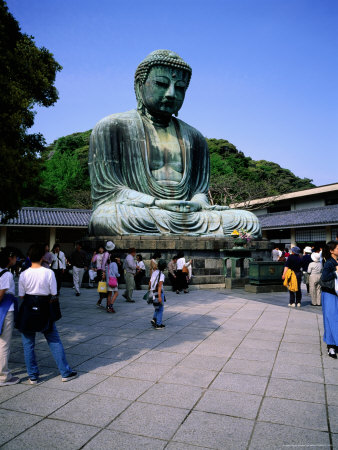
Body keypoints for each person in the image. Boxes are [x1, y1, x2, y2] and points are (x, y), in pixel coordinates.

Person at [88, 49, 261, 238]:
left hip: (189, 214)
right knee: (106, 218)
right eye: (162, 84)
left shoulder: (195, 137)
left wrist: (196, 202)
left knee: (248, 221)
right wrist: (156, 203)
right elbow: (109, 192)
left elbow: (200, 192)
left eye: (179, 88)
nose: (171, 94)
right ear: (139, 85)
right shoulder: (112, 127)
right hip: (142, 211)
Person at [18, 244, 77, 383]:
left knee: (28, 343)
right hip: (44, 306)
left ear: (28, 257)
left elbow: (21, 295)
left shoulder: (24, 274)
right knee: (54, 339)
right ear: (43, 257)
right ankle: (65, 372)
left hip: (28, 307)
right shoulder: (48, 273)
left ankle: (32, 376)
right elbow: (54, 292)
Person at [0, 249, 20, 386]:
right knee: (4, 343)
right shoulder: (7, 275)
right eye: (14, 258)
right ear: (10, 258)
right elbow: (1, 295)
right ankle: (3, 376)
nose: (16, 260)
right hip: (5, 309)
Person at [321, 241, 338, 359]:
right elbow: (324, 277)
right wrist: (335, 272)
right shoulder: (329, 263)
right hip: (329, 294)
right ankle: (331, 346)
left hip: (335, 293)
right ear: (332, 251)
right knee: (330, 318)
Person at [93, 243, 112, 307]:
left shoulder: (106, 254)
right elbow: (93, 261)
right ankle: (101, 300)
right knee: (102, 286)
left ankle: (101, 301)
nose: (100, 250)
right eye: (99, 248)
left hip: (105, 271)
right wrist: (94, 255)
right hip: (101, 271)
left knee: (104, 286)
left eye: (101, 248)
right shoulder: (103, 254)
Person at [149, 259, 167, 330]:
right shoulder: (161, 275)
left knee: (157, 307)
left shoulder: (154, 272)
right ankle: (158, 324)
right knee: (160, 309)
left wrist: (150, 290)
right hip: (159, 293)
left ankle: (155, 319)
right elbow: (160, 286)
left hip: (153, 292)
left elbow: (150, 282)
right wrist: (159, 296)